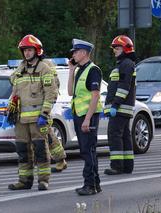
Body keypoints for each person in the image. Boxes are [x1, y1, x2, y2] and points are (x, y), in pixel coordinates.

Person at [7, 34, 58, 191]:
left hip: (38, 119)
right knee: (22, 150)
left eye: (30, 50)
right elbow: (14, 91)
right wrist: (10, 110)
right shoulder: (20, 70)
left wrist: (44, 114)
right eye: (25, 51)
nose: (27, 53)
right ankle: (24, 180)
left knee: (40, 150)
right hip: (21, 120)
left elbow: (51, 93)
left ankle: (43, 180)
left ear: (37, 51)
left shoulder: (44, 69)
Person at [67, 38, 103, 195]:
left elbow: (95, 96)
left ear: (84, 53)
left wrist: (87, 119)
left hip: (88, 115)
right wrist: (70, 71)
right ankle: (95, 183)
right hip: (79, 114)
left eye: (75, 52)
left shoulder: (93, 70)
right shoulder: (78, 70)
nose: (73, 54)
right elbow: (70, 92)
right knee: (87, 150)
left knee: (88, 150)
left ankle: (90, 185)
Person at [103, 35, 136, 175]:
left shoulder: (126, 64)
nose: (114, 51)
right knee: (124, 136)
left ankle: (116, 166)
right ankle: (127, 166)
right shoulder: (124, 64)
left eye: (117, 48)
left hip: (120, 108)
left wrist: (115, 105)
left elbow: (123, 87)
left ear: (126, 49)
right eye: (114, 48)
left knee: (114, 135)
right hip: (123, 108)